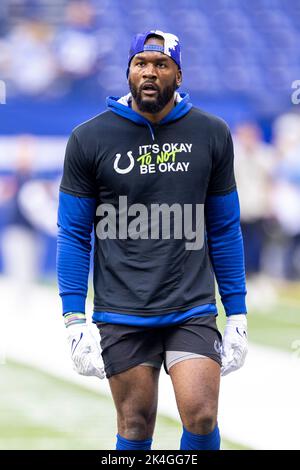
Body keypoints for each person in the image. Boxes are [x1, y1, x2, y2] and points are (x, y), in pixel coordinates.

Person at [57, 30, 248, 451]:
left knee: (201, 413)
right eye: (140, 64)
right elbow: (73, 234)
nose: (149, 72)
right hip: (121, 310)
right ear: (128, 72)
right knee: (135, 423)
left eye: (161, 65)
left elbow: (223, 227)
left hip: (191, 306)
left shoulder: (212, 133)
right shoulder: (88, 138)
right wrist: (73, 318)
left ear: (178, 75)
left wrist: (237, 313)